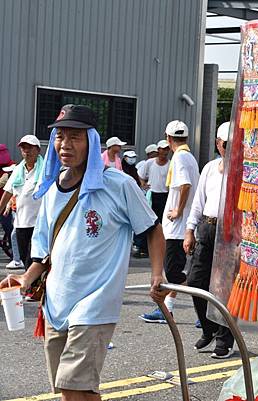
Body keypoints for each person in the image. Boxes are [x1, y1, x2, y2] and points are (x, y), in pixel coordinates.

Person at [0, 104, 166, 401]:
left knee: (73, 388)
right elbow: (41, 251)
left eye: (75, 136)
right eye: (60, 136)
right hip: (56, 304)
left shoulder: (119, 184)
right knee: (77, 392)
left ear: (91, 140)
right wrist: (24, 280)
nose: (65, 144)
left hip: (95, 303)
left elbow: (152, 229)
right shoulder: (52, 188)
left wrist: (157, 274)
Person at [183, 121, 235, 359]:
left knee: (225, 288)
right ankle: (209, 328)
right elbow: (198, 201)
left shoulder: (244, 170)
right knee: (195, 280)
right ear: (218, 144)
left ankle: (225, 339)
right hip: (208, 226)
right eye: (227, 144)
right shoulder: (210, 168)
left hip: (232, 232)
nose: (231, 148)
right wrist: (190, 229)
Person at [139, 120, 199, 323]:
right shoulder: (189, 157)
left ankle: (205, 307)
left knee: (173, 272)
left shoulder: (180, 158)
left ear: (168, 138)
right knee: (173, 271)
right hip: (181, 226)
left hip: (177, 226)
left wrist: (178, 210)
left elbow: (185, 185)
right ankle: (167, 310)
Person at [0, 135, 44, 271]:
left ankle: (36, 287)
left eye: (30, 148)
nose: (26, 151)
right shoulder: (18, 170)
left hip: (39, 224)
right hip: (21, 223)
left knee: (36, 259)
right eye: (23, 148)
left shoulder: (45, 170)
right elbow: (8, 192)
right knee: (25, 259)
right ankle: (31, 288)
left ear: (38, 150)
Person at [138, 139, 170, 219]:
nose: (165, 152)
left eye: (167, 149)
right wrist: (143, 184)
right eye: (163, 149)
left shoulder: (171, 164)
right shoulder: (150, 162)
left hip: (165, 195)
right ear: (158, 150)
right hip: (152, 194)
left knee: (162, 218)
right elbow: (140, 174)